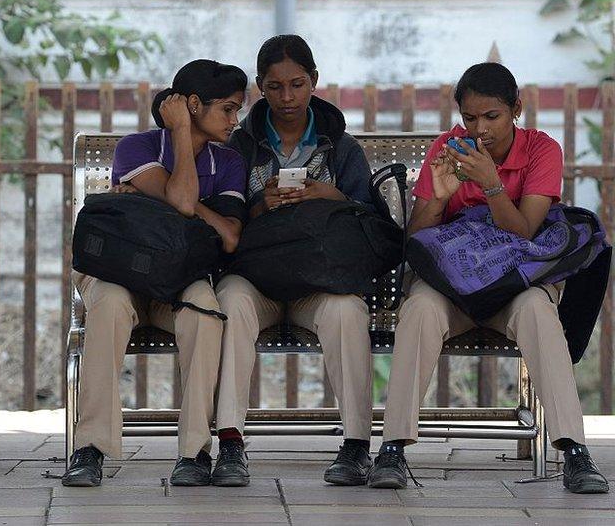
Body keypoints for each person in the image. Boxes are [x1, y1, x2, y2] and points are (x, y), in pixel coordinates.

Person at [367, 62, 609, 494]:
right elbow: (418, 241)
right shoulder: (448, 147)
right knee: (420, 308)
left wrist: (492, 184)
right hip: (452, 287)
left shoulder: (541, 149)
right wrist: (438, 198)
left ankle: (574, 450)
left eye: (492, 116)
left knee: (538, 309)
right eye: (471, 118)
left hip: (513, 283)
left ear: (516, 109)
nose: (480, 129)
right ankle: (393, 449)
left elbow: (524, 232)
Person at [62, 59, 249, 487]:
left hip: (178, 280)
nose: (235, 120)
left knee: (205, 308)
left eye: (238, 109)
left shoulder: (230, 163)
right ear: (193, 105)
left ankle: (194, 452)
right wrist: (182, 138)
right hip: (120, 273)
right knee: (107, 305)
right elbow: (186, 205)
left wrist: (167, 196)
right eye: (227, 108)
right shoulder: (137, 147)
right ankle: (90, 448)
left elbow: (230, 235)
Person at [216, 34, 375, 487]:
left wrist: (332, 196)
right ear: (260, 88)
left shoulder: (340, 147)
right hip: (256, 278)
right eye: (274, 86)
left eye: (297, 84)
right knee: (230, 301)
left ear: (314, 82)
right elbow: (218, 219)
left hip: (319, 279)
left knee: (347, 310)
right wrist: (260, 206)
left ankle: (357, 446)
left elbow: (368, 222)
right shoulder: (239, 145)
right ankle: (229, 441)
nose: (287, 97)